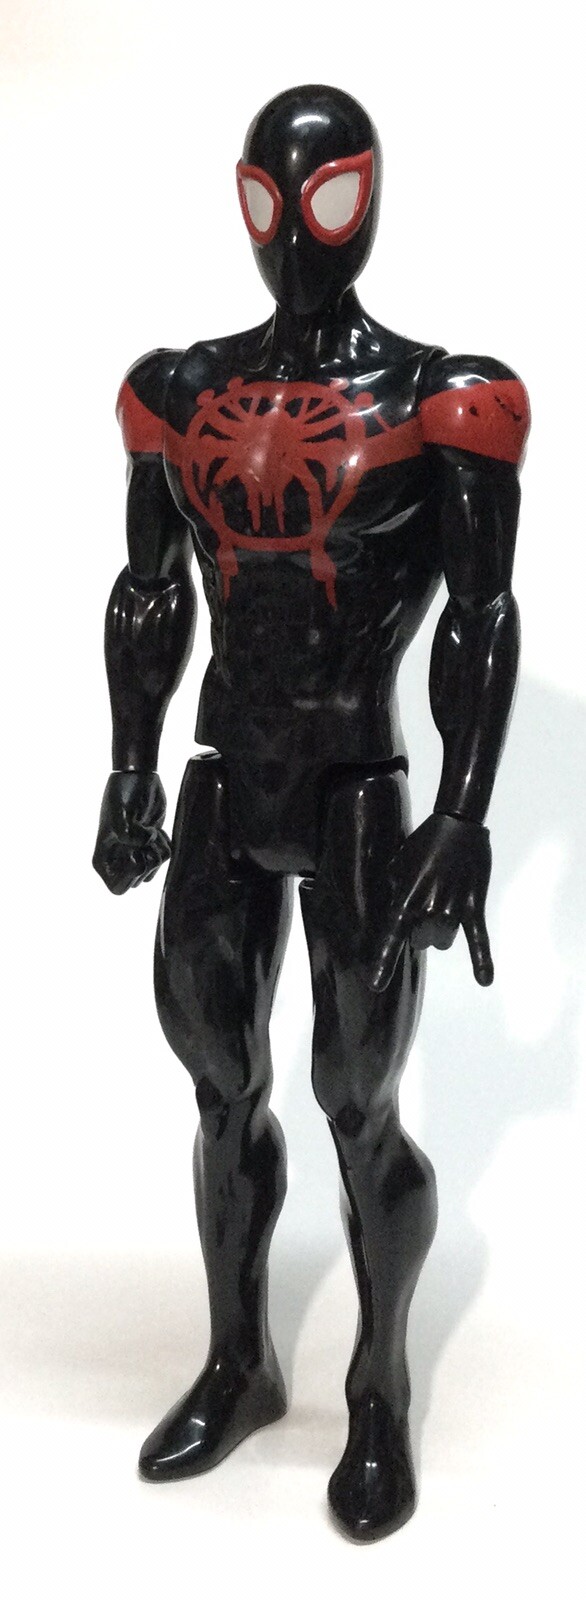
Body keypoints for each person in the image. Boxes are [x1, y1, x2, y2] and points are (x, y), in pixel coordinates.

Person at [93, 83, 529, 1542]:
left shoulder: (442, 398)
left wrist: (463, 813)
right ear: (240, 203)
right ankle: (239, 1359)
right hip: (227, 772)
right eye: (272, 203)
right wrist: (131, 763)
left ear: (369, 197)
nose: (296, 235)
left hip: (353, 785)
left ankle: (378, 1385)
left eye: (330, 199)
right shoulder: (178, 389)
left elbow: (480, 614)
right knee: (219, 1077)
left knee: (356, 1096)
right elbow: (149, 589)